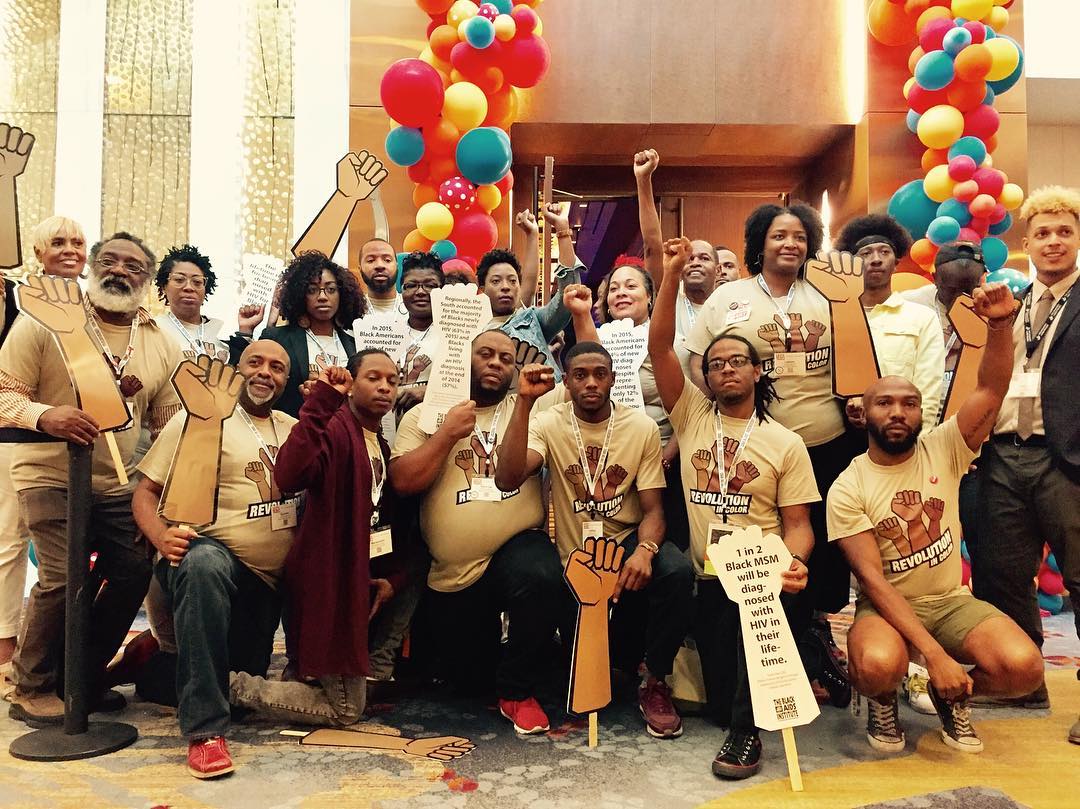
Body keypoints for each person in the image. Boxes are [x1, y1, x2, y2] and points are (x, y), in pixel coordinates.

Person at [827, 279, 1044, 754]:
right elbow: (875, 584)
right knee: (878, 665)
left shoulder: (944, 447)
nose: (899, 412)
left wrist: (1002, 325)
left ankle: (951, 698)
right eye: (885, 403)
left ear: (923, 414)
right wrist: (935, 655)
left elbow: (991, 387)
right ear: (863, 414)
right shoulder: (848, 485)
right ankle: (884, 697)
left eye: (910, 403)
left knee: (1025, 668)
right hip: (885, 607)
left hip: (950, 602)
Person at [650, 237, 819, 777]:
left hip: (760, 580)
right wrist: (671, 276)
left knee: (741, 713)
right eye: (716, 363)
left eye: (737, 362)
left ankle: (746, 738)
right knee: (717, 702)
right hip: (708, 578)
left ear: (757, 372)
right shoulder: (692, 419)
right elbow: (658, 351)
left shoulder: (784, 443)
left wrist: (793, 563)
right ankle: (777, 684)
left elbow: (799, 526)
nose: (725, 370)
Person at [0, 231, 182, 724]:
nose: (120, 270)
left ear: (147, 281)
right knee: (61, 576)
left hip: (116, 483)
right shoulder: (45, 320)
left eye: (134, 266)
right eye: (110, 260)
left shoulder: (160, 341)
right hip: (47, 474)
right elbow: (4, 394)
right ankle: (30, 683)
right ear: (93, 266)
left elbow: (166, 424)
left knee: (132, 570)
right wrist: (44, 416)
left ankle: (79, 674)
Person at [684, 202, 854, 704]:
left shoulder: (828, 294)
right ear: (759, 242)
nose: (790, 245)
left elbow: (853, 355)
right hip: (752, 446)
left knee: (817, 554)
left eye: (800, 237)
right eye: (779, 236)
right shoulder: (728, 296)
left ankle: (814, 644)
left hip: (825, 442)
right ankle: (763, 657)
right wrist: (723, 410)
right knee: (761, 550)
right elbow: (698, 361)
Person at [495, 339, 694, 740]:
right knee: (578, 681)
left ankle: (654, 681)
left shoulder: (640, 428)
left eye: (600, 374)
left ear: (613, 380)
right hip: (573, 556)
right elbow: (506, 477)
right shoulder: (549, 421)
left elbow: (654, 509)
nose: (591, 383)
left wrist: (645, 549)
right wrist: (523, 403)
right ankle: (537, 678)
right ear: (566, 381)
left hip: (622, 544)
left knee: (675, 570)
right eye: (580, 375)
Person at [132, 342, 296, 778]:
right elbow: (145, 493)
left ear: (287, 379)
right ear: (236, 369)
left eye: (278, 367)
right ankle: (204, 731)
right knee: (204, 563)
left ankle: (147, 665)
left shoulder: (292, 426)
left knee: (240, 687)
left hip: (264, 584)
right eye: (255, 363)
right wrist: (160, 536)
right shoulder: (200, 416)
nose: (265, 373)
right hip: (208, 559)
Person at [230, 351, 415, 731]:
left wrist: (389, 578)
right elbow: (289, 473)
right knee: (346, 709)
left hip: (350, 578)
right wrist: (321, 403)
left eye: (392, 381)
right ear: (352, 385)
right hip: (325, 582)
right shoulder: (336, 427)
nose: (384, 386)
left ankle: (301, 675)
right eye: (373, 378)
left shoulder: (377, 441)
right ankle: (230, 686)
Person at [390, 329, 564, 736]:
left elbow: (511, 476)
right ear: (463, 362)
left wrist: (523, 403)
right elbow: (402, 482)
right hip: (454, 573)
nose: (496, 363)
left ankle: (518, 691)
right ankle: (503, 667)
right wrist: (448, 433)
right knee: (467, 682)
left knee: (540, 574)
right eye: (485, 354)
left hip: (516, 546)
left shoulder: (532, 412)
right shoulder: (426, 416)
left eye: (506, 358)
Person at [971, 187, 1080, 740]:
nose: (1053, 241)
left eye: (1064, 231)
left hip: (1068, 463)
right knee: (1001, 574)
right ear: (1026, 242)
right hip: (1003, 456)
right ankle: (1022, 681)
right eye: (1043, 233)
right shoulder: (1007, 304)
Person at [0, 215, 88, 683]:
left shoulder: (98, 307)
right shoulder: (19, 306)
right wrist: (42, 413)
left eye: (77, 241)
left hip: (88, 462)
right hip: (25, 449)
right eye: (58, 242)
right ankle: (15, 662)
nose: (70, 249)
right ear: (38, 253)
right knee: (22, 550)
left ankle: (72, 666)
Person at [834, 214, 944, 428]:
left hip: (900, 435)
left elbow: (929, 391)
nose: (876, 259)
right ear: (852, 263)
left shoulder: (921, 318)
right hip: (840, 437)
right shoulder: (835, 316)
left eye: (884, 252)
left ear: (896, 263)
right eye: (866, 253)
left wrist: (920, 444)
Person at [229, 251, 363, 418]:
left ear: (342, 294)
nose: (322, 296)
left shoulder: (355, 344)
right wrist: (245, 331)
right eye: (312, 290)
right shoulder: (278, 337)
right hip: (294, 431)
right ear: (300, 294)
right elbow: (241, 377)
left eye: (331, 289)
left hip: (344, 434)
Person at [478, 205, 581, 380]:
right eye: (496, 281)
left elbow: (569, 294)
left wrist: (562, 229)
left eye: (512, 281)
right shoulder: (471, 330)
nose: (505, 286)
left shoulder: (532, 320)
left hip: (549, 403)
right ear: (482, 288)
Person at [903, 241, 987, 423]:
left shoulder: (992, 307)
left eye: (967, 289)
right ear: (934, 278)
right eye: (951, 289)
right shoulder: (908, 305)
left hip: (969, 414)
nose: (959, 297)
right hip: (920, 412)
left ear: (982, 279)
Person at [153, 244, 228, 361]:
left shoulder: (221, 328)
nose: (189, 287)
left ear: (205, 289)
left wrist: (245, 332)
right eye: (179, 280)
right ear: (164, 287)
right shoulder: (154, 329)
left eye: (197, 282)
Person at [393, 251, 444, 424]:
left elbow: (470, 385)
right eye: (411, 285)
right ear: (402, 291)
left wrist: (428, 392)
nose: (420, 291)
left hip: (437, 431)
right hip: (386, 434)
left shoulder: (455, 335)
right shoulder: (387, 332)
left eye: (430, 285)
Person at [359, 238, 406, 317]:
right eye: (370, 260)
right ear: (360, 269)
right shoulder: (352, 310)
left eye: (387, 260)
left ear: (397, 266)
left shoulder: (414, 308)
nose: (379, 265)